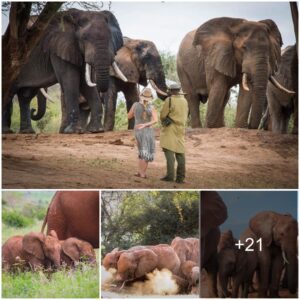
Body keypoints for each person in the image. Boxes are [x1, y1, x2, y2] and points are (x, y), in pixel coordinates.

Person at [160, 82, 188, 183]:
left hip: (171, 127)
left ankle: (170, 176)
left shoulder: (169, 100)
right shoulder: (184, 101)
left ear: (171, 91)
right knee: (180, 153)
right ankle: (180, 178)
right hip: (181, 128)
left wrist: (166, 119)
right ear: (179, 90)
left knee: (169, 152)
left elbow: (163, 115)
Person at [128, 88, 158, 178]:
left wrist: (135, 114)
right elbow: (156, 120)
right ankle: (142, 173)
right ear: (150, 98)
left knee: (141, 152)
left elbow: (129, 116)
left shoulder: (135, 105)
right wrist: (145, 124)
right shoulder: (151, 107)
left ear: (141, 96)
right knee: (146, 153)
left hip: (137, 131)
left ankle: (140, 172)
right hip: (147, 131)